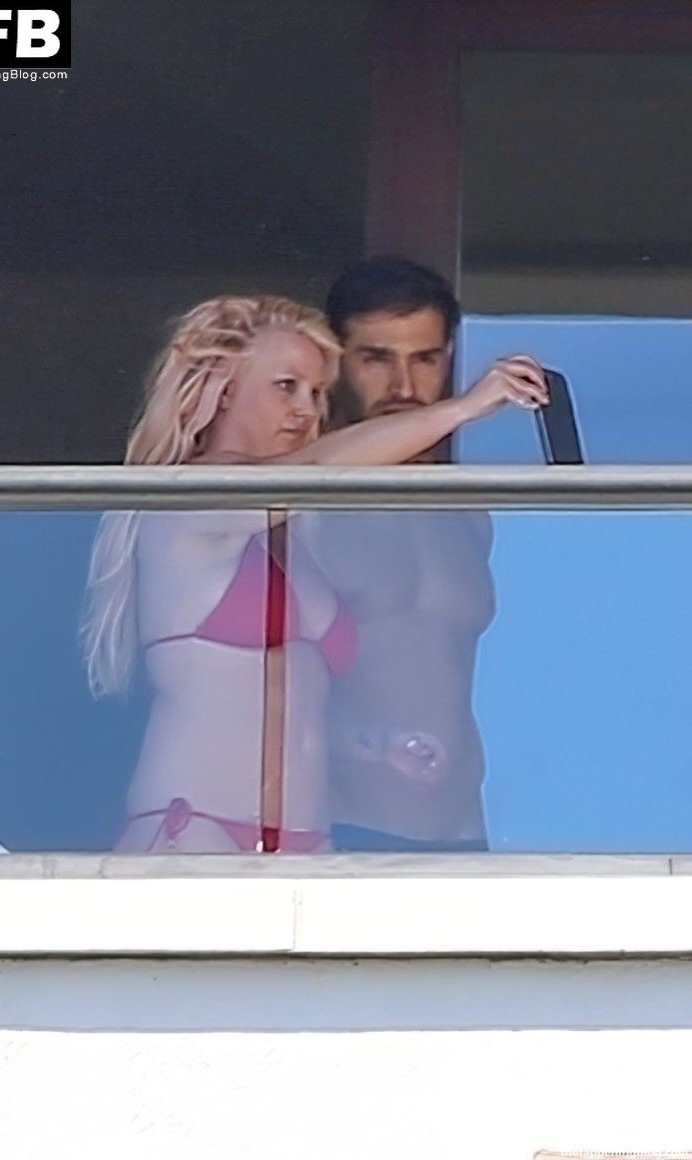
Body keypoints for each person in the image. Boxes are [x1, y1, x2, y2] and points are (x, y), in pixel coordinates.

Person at [81, 294, 547, 854]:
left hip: (305, 841)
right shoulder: (188, 499)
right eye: (287, 386)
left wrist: (379, 745)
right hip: (196, 824)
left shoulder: (288, 532)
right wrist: (463, 408)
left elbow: (287, 702)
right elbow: (320, 467)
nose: (306, 410)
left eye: (318, 392)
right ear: (224, 391)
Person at [305, 256, 546, 852]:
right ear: (335, 362)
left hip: (462, 830)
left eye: (425, 360)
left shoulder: (465, 512)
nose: (404, 387)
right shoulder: (303, 496)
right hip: (343, 824)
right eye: (377, 359)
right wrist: (463, 408)